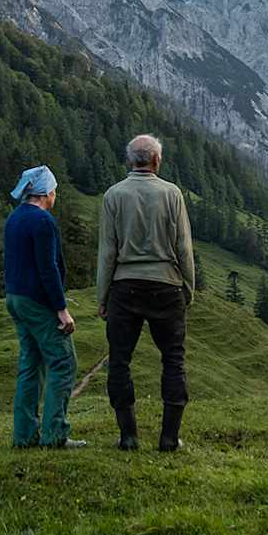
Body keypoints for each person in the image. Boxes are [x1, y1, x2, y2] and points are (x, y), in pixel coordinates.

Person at [96, 135, 195, 452]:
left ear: (130, 161)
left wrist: (102, 297)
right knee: (173, 361)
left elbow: (107, 252)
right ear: (156, 161)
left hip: (125, 288)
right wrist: (188, 288)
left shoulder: (114, 195)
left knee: (120, 361)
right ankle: (169, 438)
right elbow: (183, 247)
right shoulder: (172, 194)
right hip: (167, 286)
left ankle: (128, 436)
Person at [2, 165, 85, 449]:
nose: (55, 196)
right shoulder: (43, 221)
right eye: (55, 191)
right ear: (46, 193)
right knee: (63, 362)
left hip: (15, 297)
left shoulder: (14, 218)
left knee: (30, 363)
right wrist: (61, 308)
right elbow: (47, 268)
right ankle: (54, 434)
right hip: (37, 301)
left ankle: (24, 435)